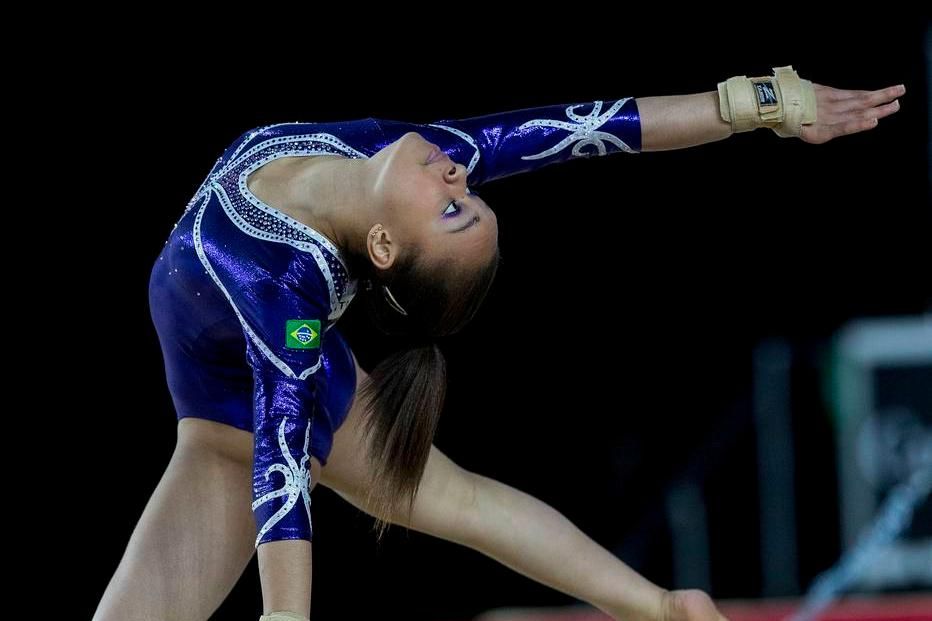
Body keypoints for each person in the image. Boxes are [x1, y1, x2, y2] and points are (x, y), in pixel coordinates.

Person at [92, 66, 905, 621]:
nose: (458, 180)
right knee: (459, 499)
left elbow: (280, 454)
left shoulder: (286, 297)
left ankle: (659, 607)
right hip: (224, 417)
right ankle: (661, 606)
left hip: (232, 427)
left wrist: (283, 615)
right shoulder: (426, 153)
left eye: (453, 212)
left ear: (383, 247)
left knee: (454, 499)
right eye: (467, 198)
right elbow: (596, 130)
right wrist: (759, 103)